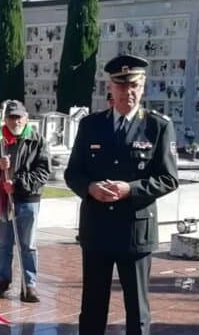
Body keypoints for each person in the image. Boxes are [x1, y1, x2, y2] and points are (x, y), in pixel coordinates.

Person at [64, 54, 179, 335]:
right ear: (110, 87)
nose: (128, 92)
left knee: (137, 310)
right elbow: (73, 173)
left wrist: (131, 189)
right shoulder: (91, 125)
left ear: (143, 87)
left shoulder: (158, 126)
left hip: (134, 232)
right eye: (121, 85)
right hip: (97, 229)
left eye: (134, 85)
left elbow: (169, 179)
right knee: (92, 307)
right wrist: (90, 188)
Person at [0, 100, 50, 303]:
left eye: (19, 117)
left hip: (28, 199)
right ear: (5, 119)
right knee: (4, 245)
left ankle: (29, 284)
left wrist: (18, 184)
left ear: (26, 118)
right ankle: (3, 280)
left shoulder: (37, 141)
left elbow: (43, 172)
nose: (16, 121)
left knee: (28, 245)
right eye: (11, 117)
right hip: (2, 200)